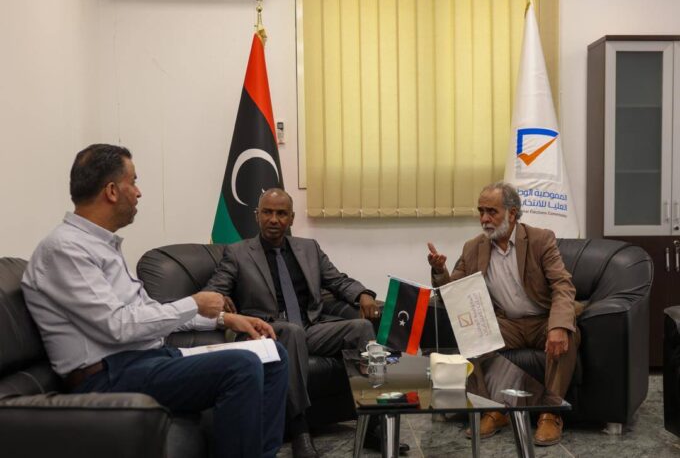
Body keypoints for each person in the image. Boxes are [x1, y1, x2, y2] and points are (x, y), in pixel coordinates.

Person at [21, 144, 289, 458]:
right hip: (107, 377)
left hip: (148, 360)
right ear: (111, 191)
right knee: (240, 366)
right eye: (133, 182)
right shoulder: (66, 249)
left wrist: (225, 319)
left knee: (273, 355)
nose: (139, 192)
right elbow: (118, 326)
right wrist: (194, 303)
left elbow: (149, 313)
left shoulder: (101, 245)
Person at [204, 188, 408, 457]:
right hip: (264, 332)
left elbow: (338, 280)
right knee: (292, 332)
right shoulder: (237, 253)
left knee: (361, 328)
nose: (273, 219)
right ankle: (299, 427)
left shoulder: (309, 248)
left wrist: (363, 294)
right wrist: (220, 298)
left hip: (310, 327)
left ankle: (371, 425)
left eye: (281, 214)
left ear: (291, 218)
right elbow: (212, 291)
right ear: (257, 215)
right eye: (267, 212)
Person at [427, 181, 581, 446]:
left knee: (566, 333)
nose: (484, 219)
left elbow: (562, 285)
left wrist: (558, 325)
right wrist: (440, 272)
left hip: (542, 319)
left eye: (492, 211)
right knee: (472, 337)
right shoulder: (473, 247)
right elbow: (453, 293)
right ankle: (493, 410)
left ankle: (550, 413)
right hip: (507, 322)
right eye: (481, 211)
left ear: (512, 213)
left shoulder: (540, 239)